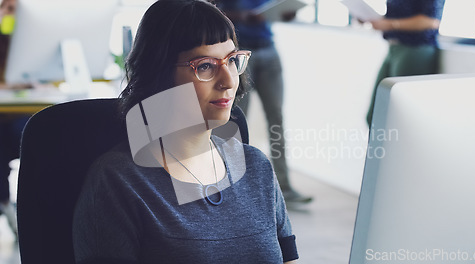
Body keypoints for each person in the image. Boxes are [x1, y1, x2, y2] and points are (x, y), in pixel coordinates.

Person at [72, 1, 299, 263]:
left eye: (232, 60)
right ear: (159, 74)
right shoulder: (118, 182)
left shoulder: (256, 167)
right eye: (205, 65)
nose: (228, 81)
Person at [216, 0, 312, 204]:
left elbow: (276, 11)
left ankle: (284, 187)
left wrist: (286, 14)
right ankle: (233, 185)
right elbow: (211, 11)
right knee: (236, 121)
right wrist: (244, 17)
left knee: (276, 118)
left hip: (269, 50)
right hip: (241, 54)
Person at [365, 0, 445, 126]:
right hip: (394, 47)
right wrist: (372, 20)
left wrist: (390, 24)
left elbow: (431, 21)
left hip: (415, 49)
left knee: (400, 116)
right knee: (375, 115)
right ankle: (376, 145)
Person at [0, 0, 23, 239]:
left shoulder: (29, 42)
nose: (9, 13)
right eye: (6, 8)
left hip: (24, 114)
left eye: (14, 9)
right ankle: (7, 207)